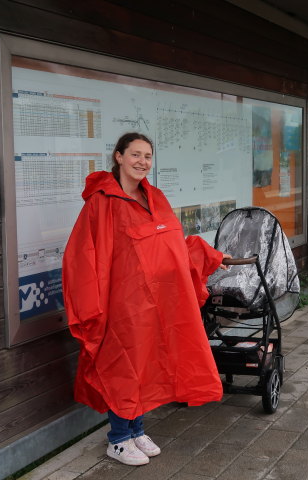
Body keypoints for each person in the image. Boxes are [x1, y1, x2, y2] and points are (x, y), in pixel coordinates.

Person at [62, 132, 230, 466]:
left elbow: (172, 245)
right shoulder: (101, 202)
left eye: (148, 156)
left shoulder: (155, 197)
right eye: (136, 154)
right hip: (120, 304)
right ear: (118, 157)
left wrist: (208, 255)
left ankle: (137, 429)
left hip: (156, 304)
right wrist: (92, 304)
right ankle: (118, 439)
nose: (142, 162)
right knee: (122, 366)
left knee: (149, 364)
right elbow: (82, 255)